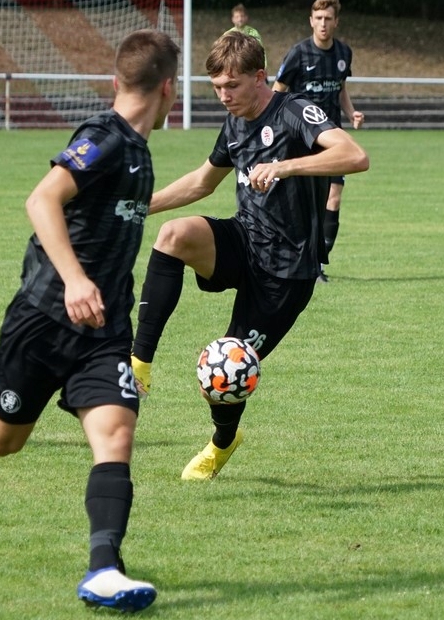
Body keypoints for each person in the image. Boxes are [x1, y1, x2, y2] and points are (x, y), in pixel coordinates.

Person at [0, 29, 179, 613]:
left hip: (104, 331)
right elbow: (41, 200)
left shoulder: (140, 152)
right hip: (43, 319)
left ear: (116, 79)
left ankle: (104, 569)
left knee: (116, 436)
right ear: (169, 88)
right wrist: (77, 280)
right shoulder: (104, 137)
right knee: (0, 439)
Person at [130, 30, 368, 481]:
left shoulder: (294, 111)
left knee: (224, 373)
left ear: (260, 77)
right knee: (174, 235)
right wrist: (140, 206)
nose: (224, 96)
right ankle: (139, 363)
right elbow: (202, 182)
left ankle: (223, 441)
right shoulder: (235, 121)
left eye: (232, 86)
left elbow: (354, 155)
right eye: (217, 87)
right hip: (246, 240)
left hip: (287, 272)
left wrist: (285, 166)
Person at [273, 0, 364, 282]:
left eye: (328, 19)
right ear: (311, 21)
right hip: (301, 139)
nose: (323, 23)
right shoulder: (298, 54)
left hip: (333, 139)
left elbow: (340, 89)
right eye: (319, 18)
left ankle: (317, 265)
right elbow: (277, 91)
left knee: (333, 196)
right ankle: (293, 257)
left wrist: (351, 113)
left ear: (336, 22)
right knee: (301, 203)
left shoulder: (343, 53)